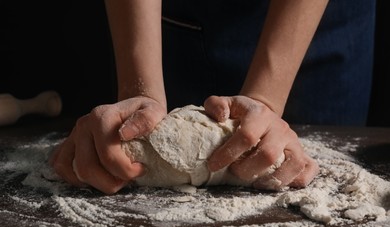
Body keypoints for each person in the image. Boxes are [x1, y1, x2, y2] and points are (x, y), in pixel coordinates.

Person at [51, 0, 376, 194]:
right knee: (126, 154)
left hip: (315, 24)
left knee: (295, 172)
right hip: (180, 19)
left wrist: (267, 99)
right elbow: (139, 109)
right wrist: (140, 91)